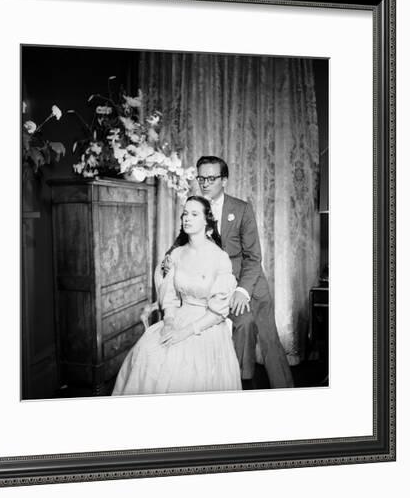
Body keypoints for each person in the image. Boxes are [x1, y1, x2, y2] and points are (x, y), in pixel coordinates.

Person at [112, 196, 242, 395]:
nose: (187, 218)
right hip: (178, 316)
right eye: (185, 214)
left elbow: (218, 311)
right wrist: (170, 321)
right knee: (148, 353)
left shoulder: (220, 258)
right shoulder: (176, 254)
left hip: (207, 324)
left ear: (207, 220)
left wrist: (185, 332)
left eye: (194, 214)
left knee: (187, 368)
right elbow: (169, 296)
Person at [195, 155, 294, 388]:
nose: (205, 183)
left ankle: (287, 393)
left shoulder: (241, 209)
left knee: (269, 340)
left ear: (224, 180)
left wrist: (242, 290)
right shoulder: (195, 208)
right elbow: (184, 242)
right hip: (218, 285)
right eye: (201, 177)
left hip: (250, 283)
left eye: (211, 177)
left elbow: (253, 257)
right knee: (244, 325)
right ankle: (241, 383)